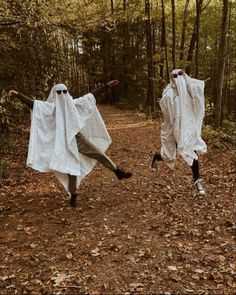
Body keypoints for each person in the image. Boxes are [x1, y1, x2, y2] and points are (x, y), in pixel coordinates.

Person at [8, 80, 132, 207]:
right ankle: (73, 194)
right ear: (55, 94)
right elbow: (33, 104)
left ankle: (117, 171)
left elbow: (90, 97)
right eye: (59, 92)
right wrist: (18, 94)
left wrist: (106, 86)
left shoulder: (72, 104)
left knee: (98, 153)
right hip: (62, 143)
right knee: (71, 168)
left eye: (64, 92)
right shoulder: (50, 108)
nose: (62, 95)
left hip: (77, 138)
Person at [151, 69, 207, 195]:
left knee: (191, 151)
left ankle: (197, 180)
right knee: (170, 154)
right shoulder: (168, 94)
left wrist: (186, 77)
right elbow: (166, 112)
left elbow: (198, 91)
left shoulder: (188, 90)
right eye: (174, 76)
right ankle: (156, 156)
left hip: (186, 129)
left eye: (180, 75)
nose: (177, 78)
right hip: (174, 129)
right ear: (171, 78)